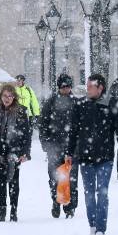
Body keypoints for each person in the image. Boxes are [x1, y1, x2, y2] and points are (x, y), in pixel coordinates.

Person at [65, 73, 118, 235]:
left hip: (105, 158)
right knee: (89, 196)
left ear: (100, 87)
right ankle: (93, 225)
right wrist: (69, 152)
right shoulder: (80, 105)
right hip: (85, 158)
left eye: (90, 86)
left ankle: (101, 229)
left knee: (102, 193)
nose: (87, 89)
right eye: (87, 86)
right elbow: (73, 131)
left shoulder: (111, 104)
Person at [0, 84, 32, 222]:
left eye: (10, 96)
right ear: (1, 96)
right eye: (5, 96)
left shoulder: (21, 111)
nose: (7, 99)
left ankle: (13, 209)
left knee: (13, 182)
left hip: (14, 150)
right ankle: (1, 209)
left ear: (14, 97)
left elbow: (26, 134)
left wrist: (25, 152)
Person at [39, 73, 79, 219]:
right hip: (54, 146)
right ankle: (56, 201)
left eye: (68, 86)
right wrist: (46, 143)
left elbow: (80, 126)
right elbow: (43, 123)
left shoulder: (76, 103)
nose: (66, 89)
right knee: (54, 177)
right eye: (63, 86)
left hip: (71, 147)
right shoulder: (51, 102)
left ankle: (69, 206)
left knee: (71, 178)